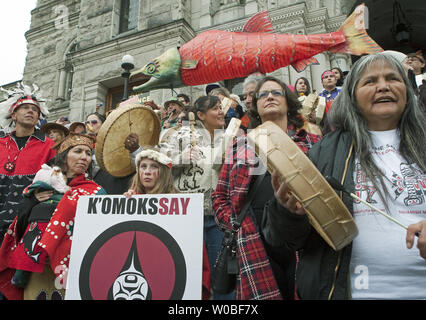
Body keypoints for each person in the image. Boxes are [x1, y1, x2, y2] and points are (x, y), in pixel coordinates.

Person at [262, 53, 426, 299]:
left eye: (393, 78)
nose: (383, 86)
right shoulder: (323, 153)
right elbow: (284, 240)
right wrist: (288, 213)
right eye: (370, 81)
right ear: (352, 97)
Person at [212, 76, 321, 300]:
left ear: (289, 102)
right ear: (256, 106)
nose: (269, 97)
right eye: (263, 94)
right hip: (253, 238)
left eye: (276, 92)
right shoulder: (239, 145)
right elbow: (220, 195)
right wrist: (235, 225)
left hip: (303, 238)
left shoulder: (312, 142)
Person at [0, 133, 106, 300]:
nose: (84, 157)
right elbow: (20, 222)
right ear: (64, 157)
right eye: (78, 151)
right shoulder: (43, 184)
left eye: (87, 153)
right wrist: (32, 201)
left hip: (73, 268)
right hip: (37, 265)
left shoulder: (96, 191)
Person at [123, 147, 212, 299]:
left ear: (163, 172)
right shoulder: (130, 199)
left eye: (154, 167)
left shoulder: (181, 205)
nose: (148, 171)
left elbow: (193, 252)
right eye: (143, 166)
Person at [0, 84, 56, 246]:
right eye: (24, 108)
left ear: (39, 117)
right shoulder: (1, 142)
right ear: (14, 115)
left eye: (34, 109)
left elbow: (55, 182)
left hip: (25, 223)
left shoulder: (49, 146)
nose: (30, 111)